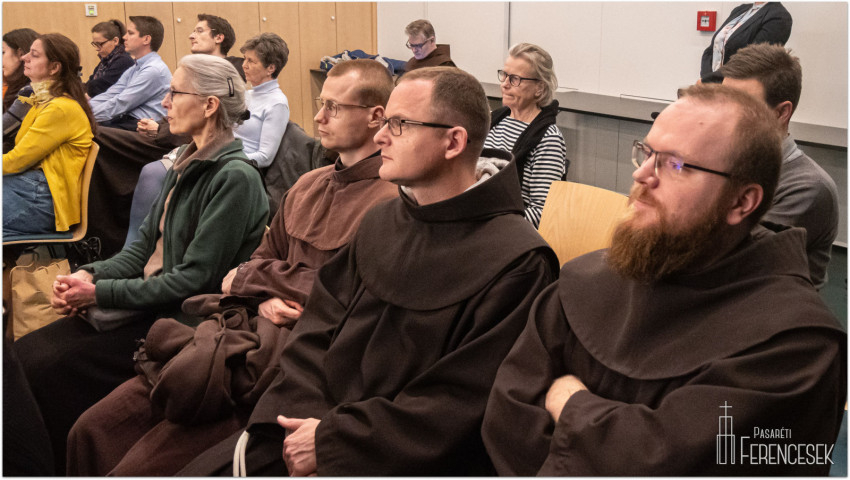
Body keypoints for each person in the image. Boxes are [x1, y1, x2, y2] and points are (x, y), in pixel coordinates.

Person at [177, 66, 559, 476]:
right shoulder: (382, 221)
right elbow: (315, 332)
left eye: (399, 124)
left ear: (453, 141)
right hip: (307, 425)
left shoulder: (518, 261)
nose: (380, 136)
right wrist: (295, 423)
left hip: (391, 458)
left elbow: (461, 401)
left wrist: (333, 442)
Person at [481, 84, 846, 476]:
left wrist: (573, 406)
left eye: (675, 165)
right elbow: (508, 416)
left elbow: (686, 463)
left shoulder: (795, 346)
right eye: (647, 152)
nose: (641, 174)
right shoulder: (584, 282)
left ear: (742, 202)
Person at [66, 58, 399, 477]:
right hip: (239, 334)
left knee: (138, 464)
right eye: (321, 103)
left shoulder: (391, 202)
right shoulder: (306, 185)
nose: (318, 117)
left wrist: (259, 285)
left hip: (290, 364)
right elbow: (253, 264)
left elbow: (343, 292)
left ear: (375, 116)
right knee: (90, 430)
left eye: (334, 107)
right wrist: (264, 296)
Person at [13, 54, 269, 474]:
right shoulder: (185, 161)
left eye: (175, 92)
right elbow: (139, 251)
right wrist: (88, 275)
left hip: (181, 321)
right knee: (24, 354)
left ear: (209, 105)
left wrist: (99, 293)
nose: (165, 102)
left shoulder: (235, 178)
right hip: (149, 305)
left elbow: (194, 281)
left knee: (52, 372)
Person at [720, 43, 839, 290]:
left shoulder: (808, 188)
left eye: (740, 105)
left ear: (781, 112)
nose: (722, 116)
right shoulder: (726, 161)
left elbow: (728, 261)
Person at [3, 33, 95, 237]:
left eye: (34, 55)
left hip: (42, 200)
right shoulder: (44, 101)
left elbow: (16, 161)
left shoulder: (59, 108)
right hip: (32, 189)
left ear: (54, 68)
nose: (24, 58)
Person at [485, 43, 567, 228]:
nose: (504, 84)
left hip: (510, 231)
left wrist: (488, 223)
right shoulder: (492, 121)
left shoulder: (549, 139)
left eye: (515, 79)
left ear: (539, 88)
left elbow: (542, 212)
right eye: (504, 75)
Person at [89, 15, 170, 130]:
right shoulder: (135, 68)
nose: (124, 37)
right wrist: (84, 109)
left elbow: (121, 103)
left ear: (146, 39)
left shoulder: (153, 70)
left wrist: (85, 115)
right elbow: (110, 94)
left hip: (142, 127)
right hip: (128, 121)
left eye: (130, 33)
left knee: (90, 132)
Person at [234, 32, 290, 169]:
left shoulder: (277, 103)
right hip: (229, 158)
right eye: (244, 59)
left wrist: (225, 161)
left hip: (241, 168)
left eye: (251, 61)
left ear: (270, 68)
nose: (244, 65)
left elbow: (265, 158)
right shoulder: (247, 94)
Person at [700, 2, 792, 82]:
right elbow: (711, 49)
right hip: (710, 84)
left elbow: (752, 60)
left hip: (736, 87)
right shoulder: (740, 9)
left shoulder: (779, 16)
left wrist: (711, 80)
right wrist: (705, 78)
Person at [2, 28, 38, 152]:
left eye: (3, 52)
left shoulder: (30, 91)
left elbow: (4, 129)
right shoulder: (15, 86)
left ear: (20, 54)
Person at [85, 19, 134, 98]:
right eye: (95, 44)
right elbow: (91, 81)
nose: (97, 49)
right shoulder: (106, 60)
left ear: (115, 41)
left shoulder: (124, 61)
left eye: (100, 44)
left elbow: (98, 86)